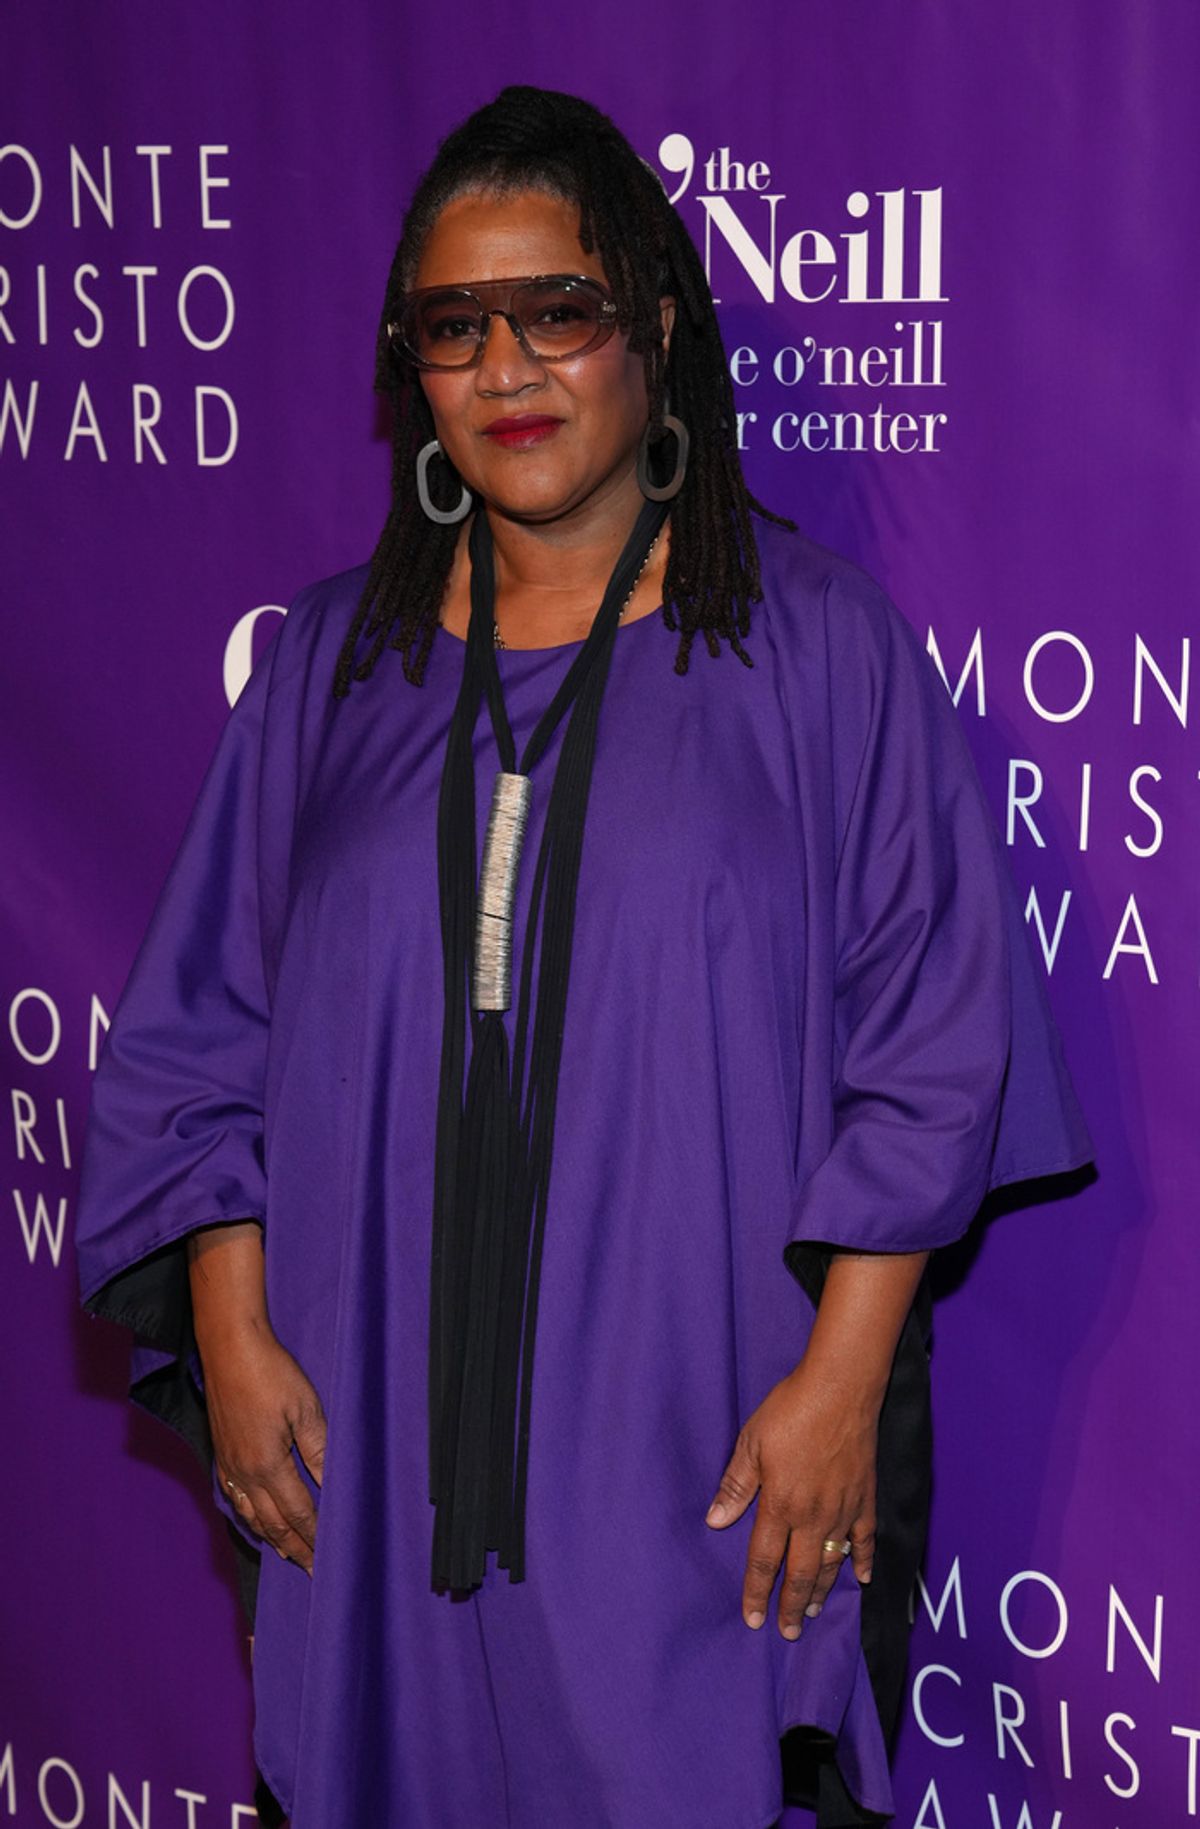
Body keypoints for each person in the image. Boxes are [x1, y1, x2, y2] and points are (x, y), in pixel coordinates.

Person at [76, 86, 1091, 1829]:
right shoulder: (327, 668)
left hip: (709, 1454)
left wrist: (842, 1385)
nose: (508, 368)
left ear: (658, 325)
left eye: (559, 308)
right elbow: (196, 1041)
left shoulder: (819, 650)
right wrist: (233, 1339)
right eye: (453, 326)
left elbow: (934, 1045)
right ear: (413, 371)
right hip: (372, 1458)